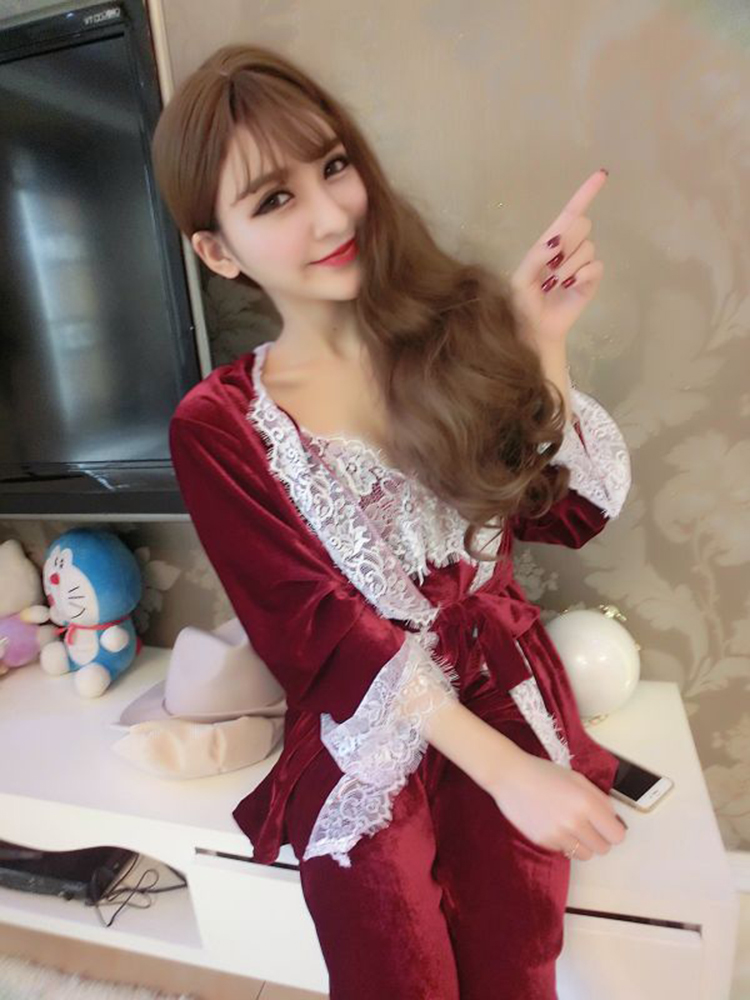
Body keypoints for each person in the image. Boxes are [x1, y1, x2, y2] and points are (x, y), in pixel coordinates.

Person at [151, 42, 631, 1000]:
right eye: (274, 199)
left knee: (517, 957)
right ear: (218, 251)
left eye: (334, 166)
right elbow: (320, 633)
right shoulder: (222, 424)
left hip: (504, 685)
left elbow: (565, 512)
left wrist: (539, 340)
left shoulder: (453, 331)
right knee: (387, 953)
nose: (332, 214)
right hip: (368, 722)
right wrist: (508, 775)